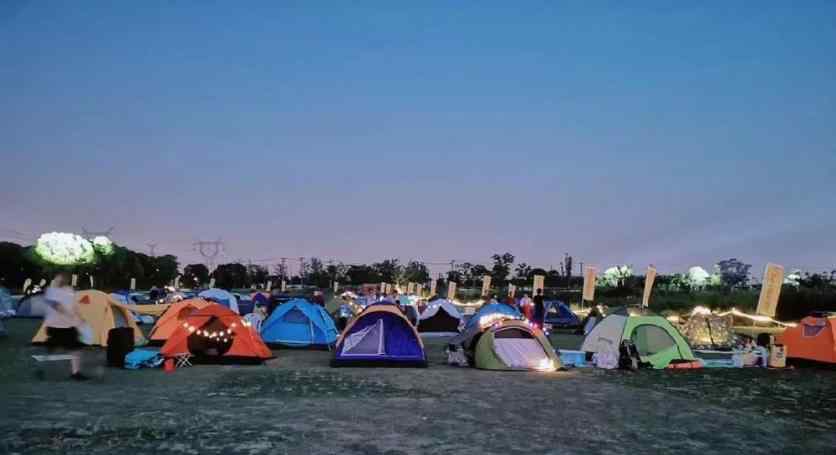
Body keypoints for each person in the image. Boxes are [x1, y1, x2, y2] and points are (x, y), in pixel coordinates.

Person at [43, 273, 88, 381]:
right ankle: (49, 353)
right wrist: (70, 315)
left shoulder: (69, 290)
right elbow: (56, 305)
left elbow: (74, 305)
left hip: (67, 326)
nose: (60, 280)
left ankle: (75, 372)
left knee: (75, 348)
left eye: (62, 278)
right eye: (58, 278)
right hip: (55, 326)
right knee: (73, 348)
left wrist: (80, 317)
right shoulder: (51, 291)